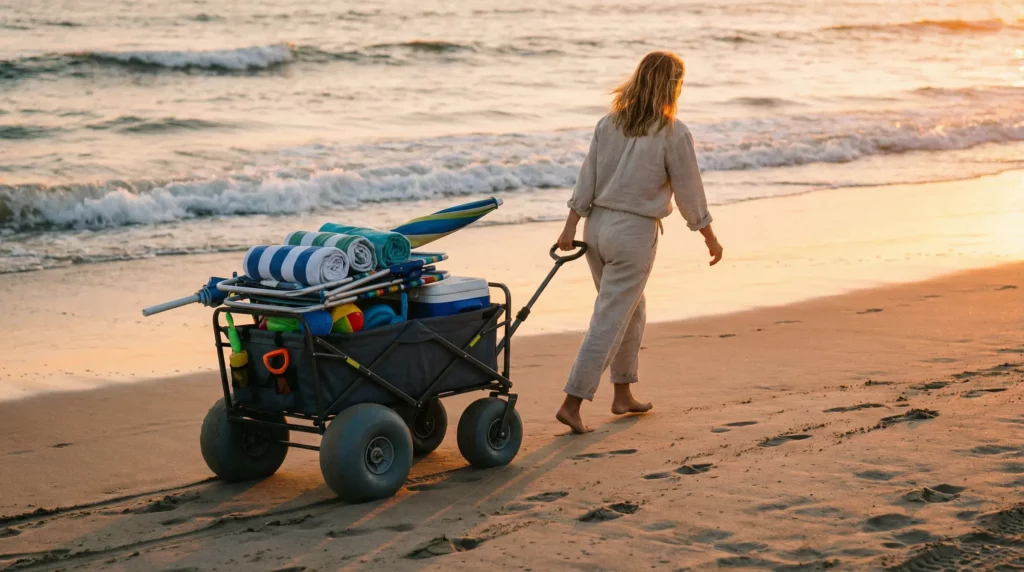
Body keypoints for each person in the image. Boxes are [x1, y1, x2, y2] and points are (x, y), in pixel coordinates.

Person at [555, 51, 723, 434]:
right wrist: (709, 236)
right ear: (672, 85)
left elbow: (586, 180)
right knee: (610, 318)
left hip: (595, 228)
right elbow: (689, 194)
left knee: (631, 308)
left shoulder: (608, 123)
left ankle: (623, 393)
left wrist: (570, 228)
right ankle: (572, 402)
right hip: (633, 233)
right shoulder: (673, 132)